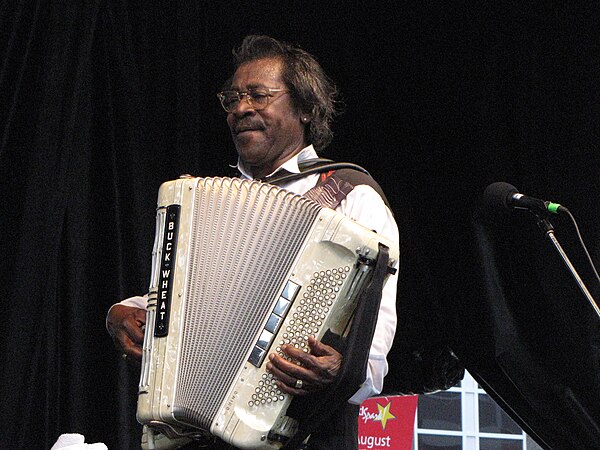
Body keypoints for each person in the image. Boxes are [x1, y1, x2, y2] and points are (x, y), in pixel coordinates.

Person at [106, 35, 399, 450]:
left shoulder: (351, 196)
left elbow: (373, 341)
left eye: (259, 95)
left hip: (306, 433)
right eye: (232, 99)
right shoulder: (205, 202)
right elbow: (186, 302)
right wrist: (126, 312)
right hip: (196, 436)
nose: (241, 108)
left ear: (304, 108)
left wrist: (343, 369)